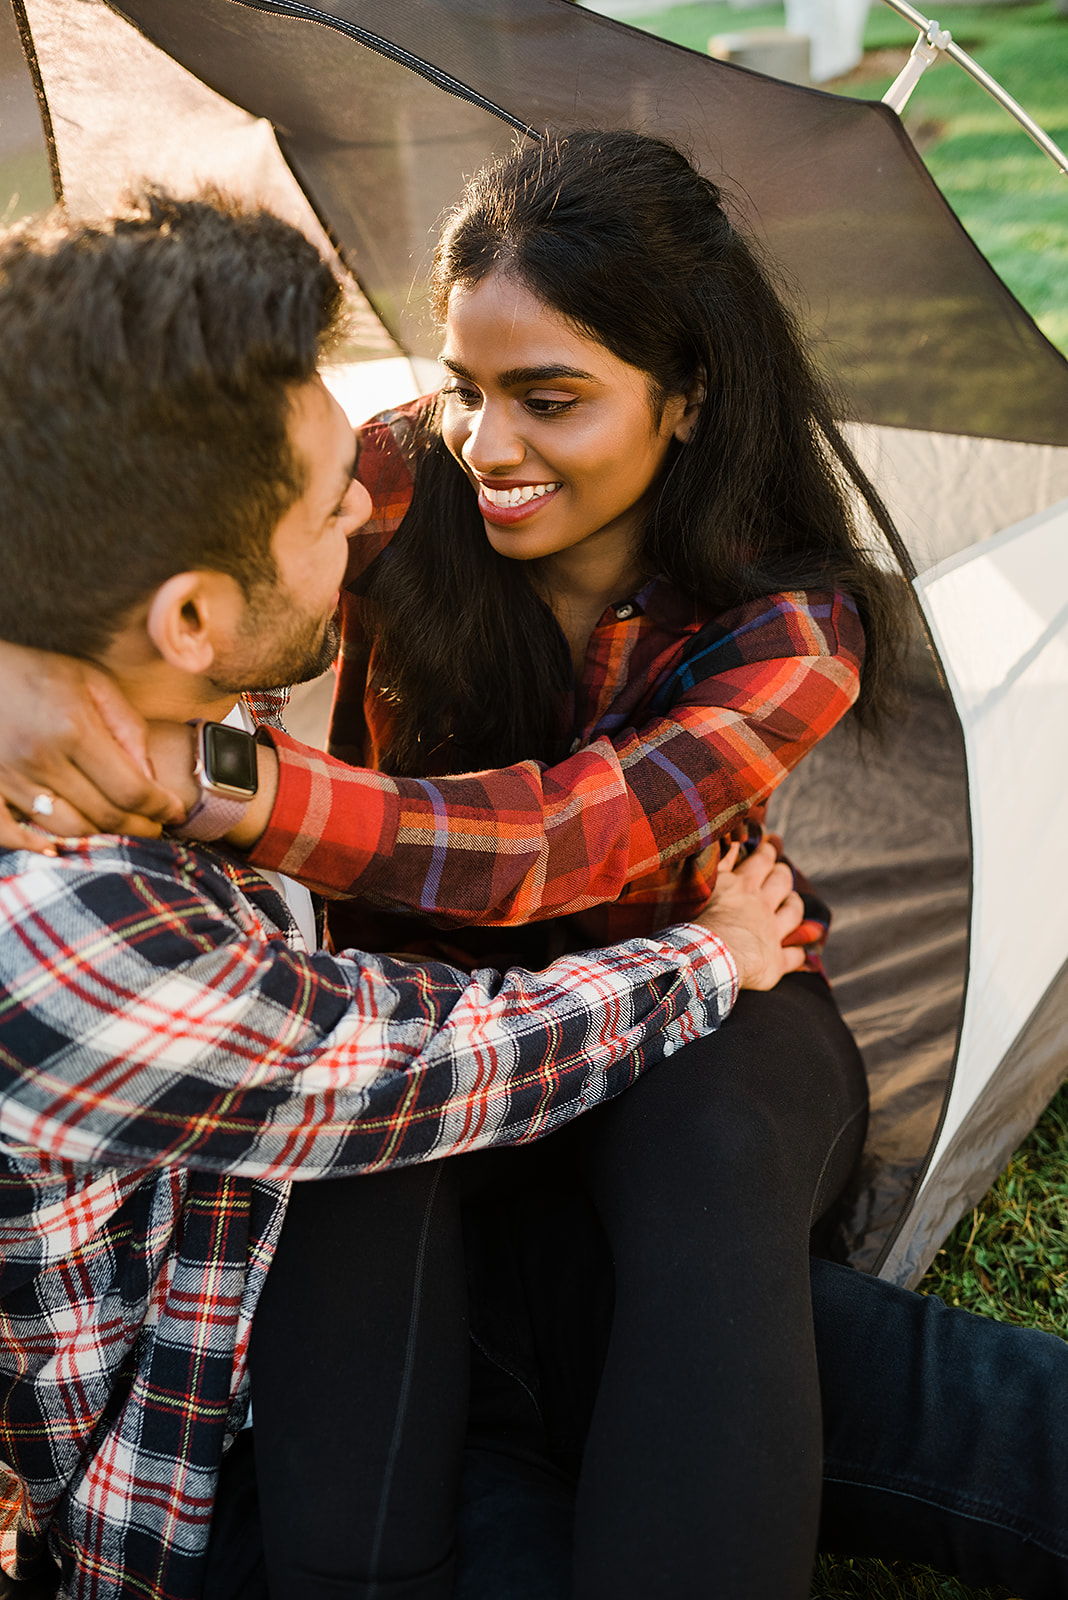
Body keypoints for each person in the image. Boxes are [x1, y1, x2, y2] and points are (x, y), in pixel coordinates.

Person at [6, 135, 1068, 1600]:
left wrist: (219, 776)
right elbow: (147, 537)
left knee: (694, 1173)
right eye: (462, 387)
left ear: (686, 400)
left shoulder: (789, 629)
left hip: (683, 1011)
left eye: (548, 399)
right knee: (478, 1245)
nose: (479, 447)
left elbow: (557, 843)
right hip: (396, 1081)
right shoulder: (386, 492)